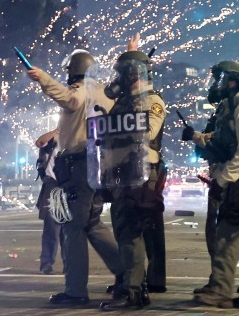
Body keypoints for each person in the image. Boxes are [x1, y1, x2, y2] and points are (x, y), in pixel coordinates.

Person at [27, 48, 124, 307]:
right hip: (99, 163)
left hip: (80, 163)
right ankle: (128, 275)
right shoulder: (104, 93)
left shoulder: (81, 90)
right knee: (92, 223)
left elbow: (69, 99)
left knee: (72, 227)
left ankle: (76, 289)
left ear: (73, 72)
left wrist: (42, 78)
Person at [189, 61, 239, 310]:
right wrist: (196, 137)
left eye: (220, 79)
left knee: (227, 233)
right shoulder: (230, 106)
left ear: (232, 81)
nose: (216, 85)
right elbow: (223, 139)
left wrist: (223, 180)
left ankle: (220, 291)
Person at [96, 50, 167, 311]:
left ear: (131, 74)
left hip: (141, 174)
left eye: (121, 73)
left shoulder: (150, 102)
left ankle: (134, 292)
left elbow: (146, 133)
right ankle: (133, 285)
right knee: (124, 231)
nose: (117, 79)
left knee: (132, 233)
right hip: (123, 174)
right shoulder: (126, 101)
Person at [184, 69, 232, 294]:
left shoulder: (230, 108)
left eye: (219, 80)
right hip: (219, 173)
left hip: (225, 176)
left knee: (218, 231)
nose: (214, 85)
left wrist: (196, 137)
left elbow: (218, 139)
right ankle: (221, 279)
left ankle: (220, 282)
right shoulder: (223, 109)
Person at [34, 132, 64, 275]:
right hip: (53, 184)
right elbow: (40, 142)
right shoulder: (54, 140)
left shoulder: (78, 137)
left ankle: (70, 264)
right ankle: (46, 263)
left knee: (69, 230)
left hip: (70, 184)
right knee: (51, 228)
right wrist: (58, 130)